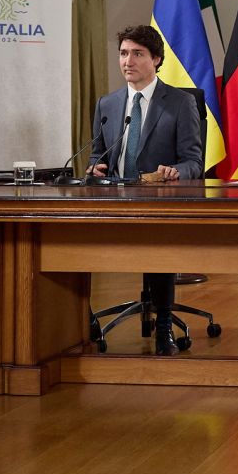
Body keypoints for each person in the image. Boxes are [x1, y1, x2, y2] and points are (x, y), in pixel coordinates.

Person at [89, 24, 203, 356]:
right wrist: (96, 167)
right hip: (115, 200)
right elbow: (99, 153)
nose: (128, 61)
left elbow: (194, 161)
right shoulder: (107, 105)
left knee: (158, 241)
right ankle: (83, 319)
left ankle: (164, 322)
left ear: (155, 59)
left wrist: (174, 172)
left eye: (137, 54)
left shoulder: (180, 103)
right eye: (124, 53)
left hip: (160, 203)